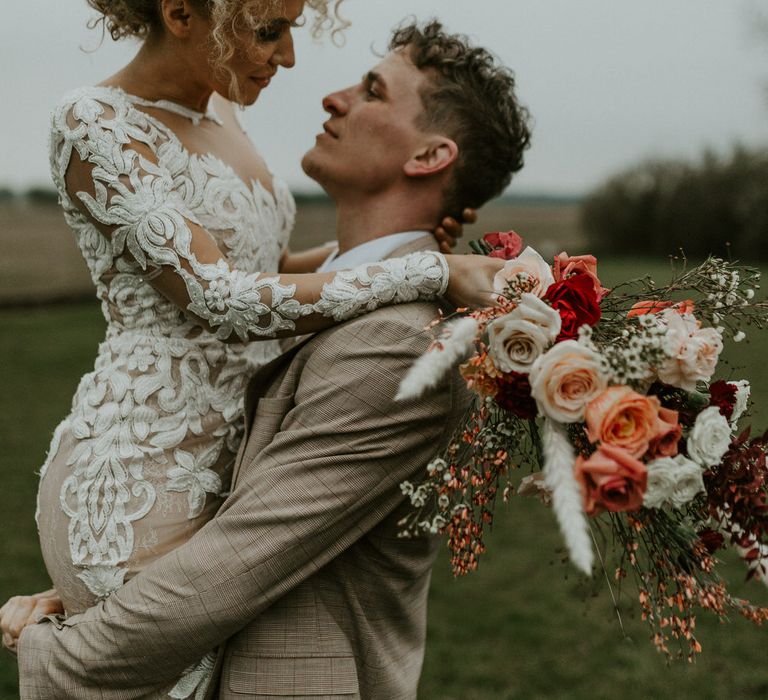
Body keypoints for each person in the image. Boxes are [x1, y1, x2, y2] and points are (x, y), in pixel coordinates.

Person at [9, 19, 532, 699]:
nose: (321, 88)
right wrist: (431, 266)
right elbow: (234, 282)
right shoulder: (110, 121)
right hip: (146, 504)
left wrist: (53, 656)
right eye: (269, 28)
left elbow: (237, 564)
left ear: (431, 155)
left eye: (373, 90)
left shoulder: (401, 344)